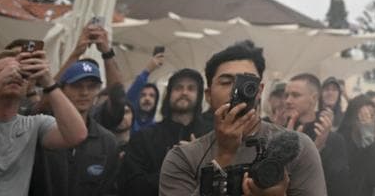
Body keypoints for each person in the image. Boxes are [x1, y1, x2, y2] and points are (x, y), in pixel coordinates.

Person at [159, 41, 327, 196]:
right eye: (226, 82)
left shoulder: (296, 148)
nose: (236, 91)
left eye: (247, 83)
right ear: (209, 95)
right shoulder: (183, 158)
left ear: (260, 90)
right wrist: (224, 156)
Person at [0, 47, 88, 195]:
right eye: (3, 71)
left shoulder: (33, 125)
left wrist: (48, 81)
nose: (13, 75)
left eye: (21, 73)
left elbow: (77, 135)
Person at [30, 59, 121, 196]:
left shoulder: (107, 142)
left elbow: (109, 189)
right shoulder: (42, 130)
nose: (84, 92)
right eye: (77, 85)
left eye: (91, 86)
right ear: (62, 89)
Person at [116, 67, 207, 196]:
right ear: (168, 94)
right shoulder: (144, 137)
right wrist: (175, 167)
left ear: (199, 96)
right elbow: (130, 186)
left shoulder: (208, 138)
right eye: (178, 88)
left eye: (191, 88)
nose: (184, 92)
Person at [284, 72, 350, 195]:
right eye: (286, 95)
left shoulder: (333, 139)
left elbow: (339, 185)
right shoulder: (279, 132)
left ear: (314, 98)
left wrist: (319, 148)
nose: (288, 100)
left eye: (295, 95)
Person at [335, 95, 375, 196]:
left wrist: (369, 139)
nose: (367, 122)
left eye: (371, 116)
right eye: (362, 116)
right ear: (352, 118)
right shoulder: (339, 142)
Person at [125, 50, 165, 134]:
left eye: (152, 96)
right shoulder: (129, 121)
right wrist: (147, 70)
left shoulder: (156, 129)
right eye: (143, 95)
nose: (147, 98)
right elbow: (129, 98)